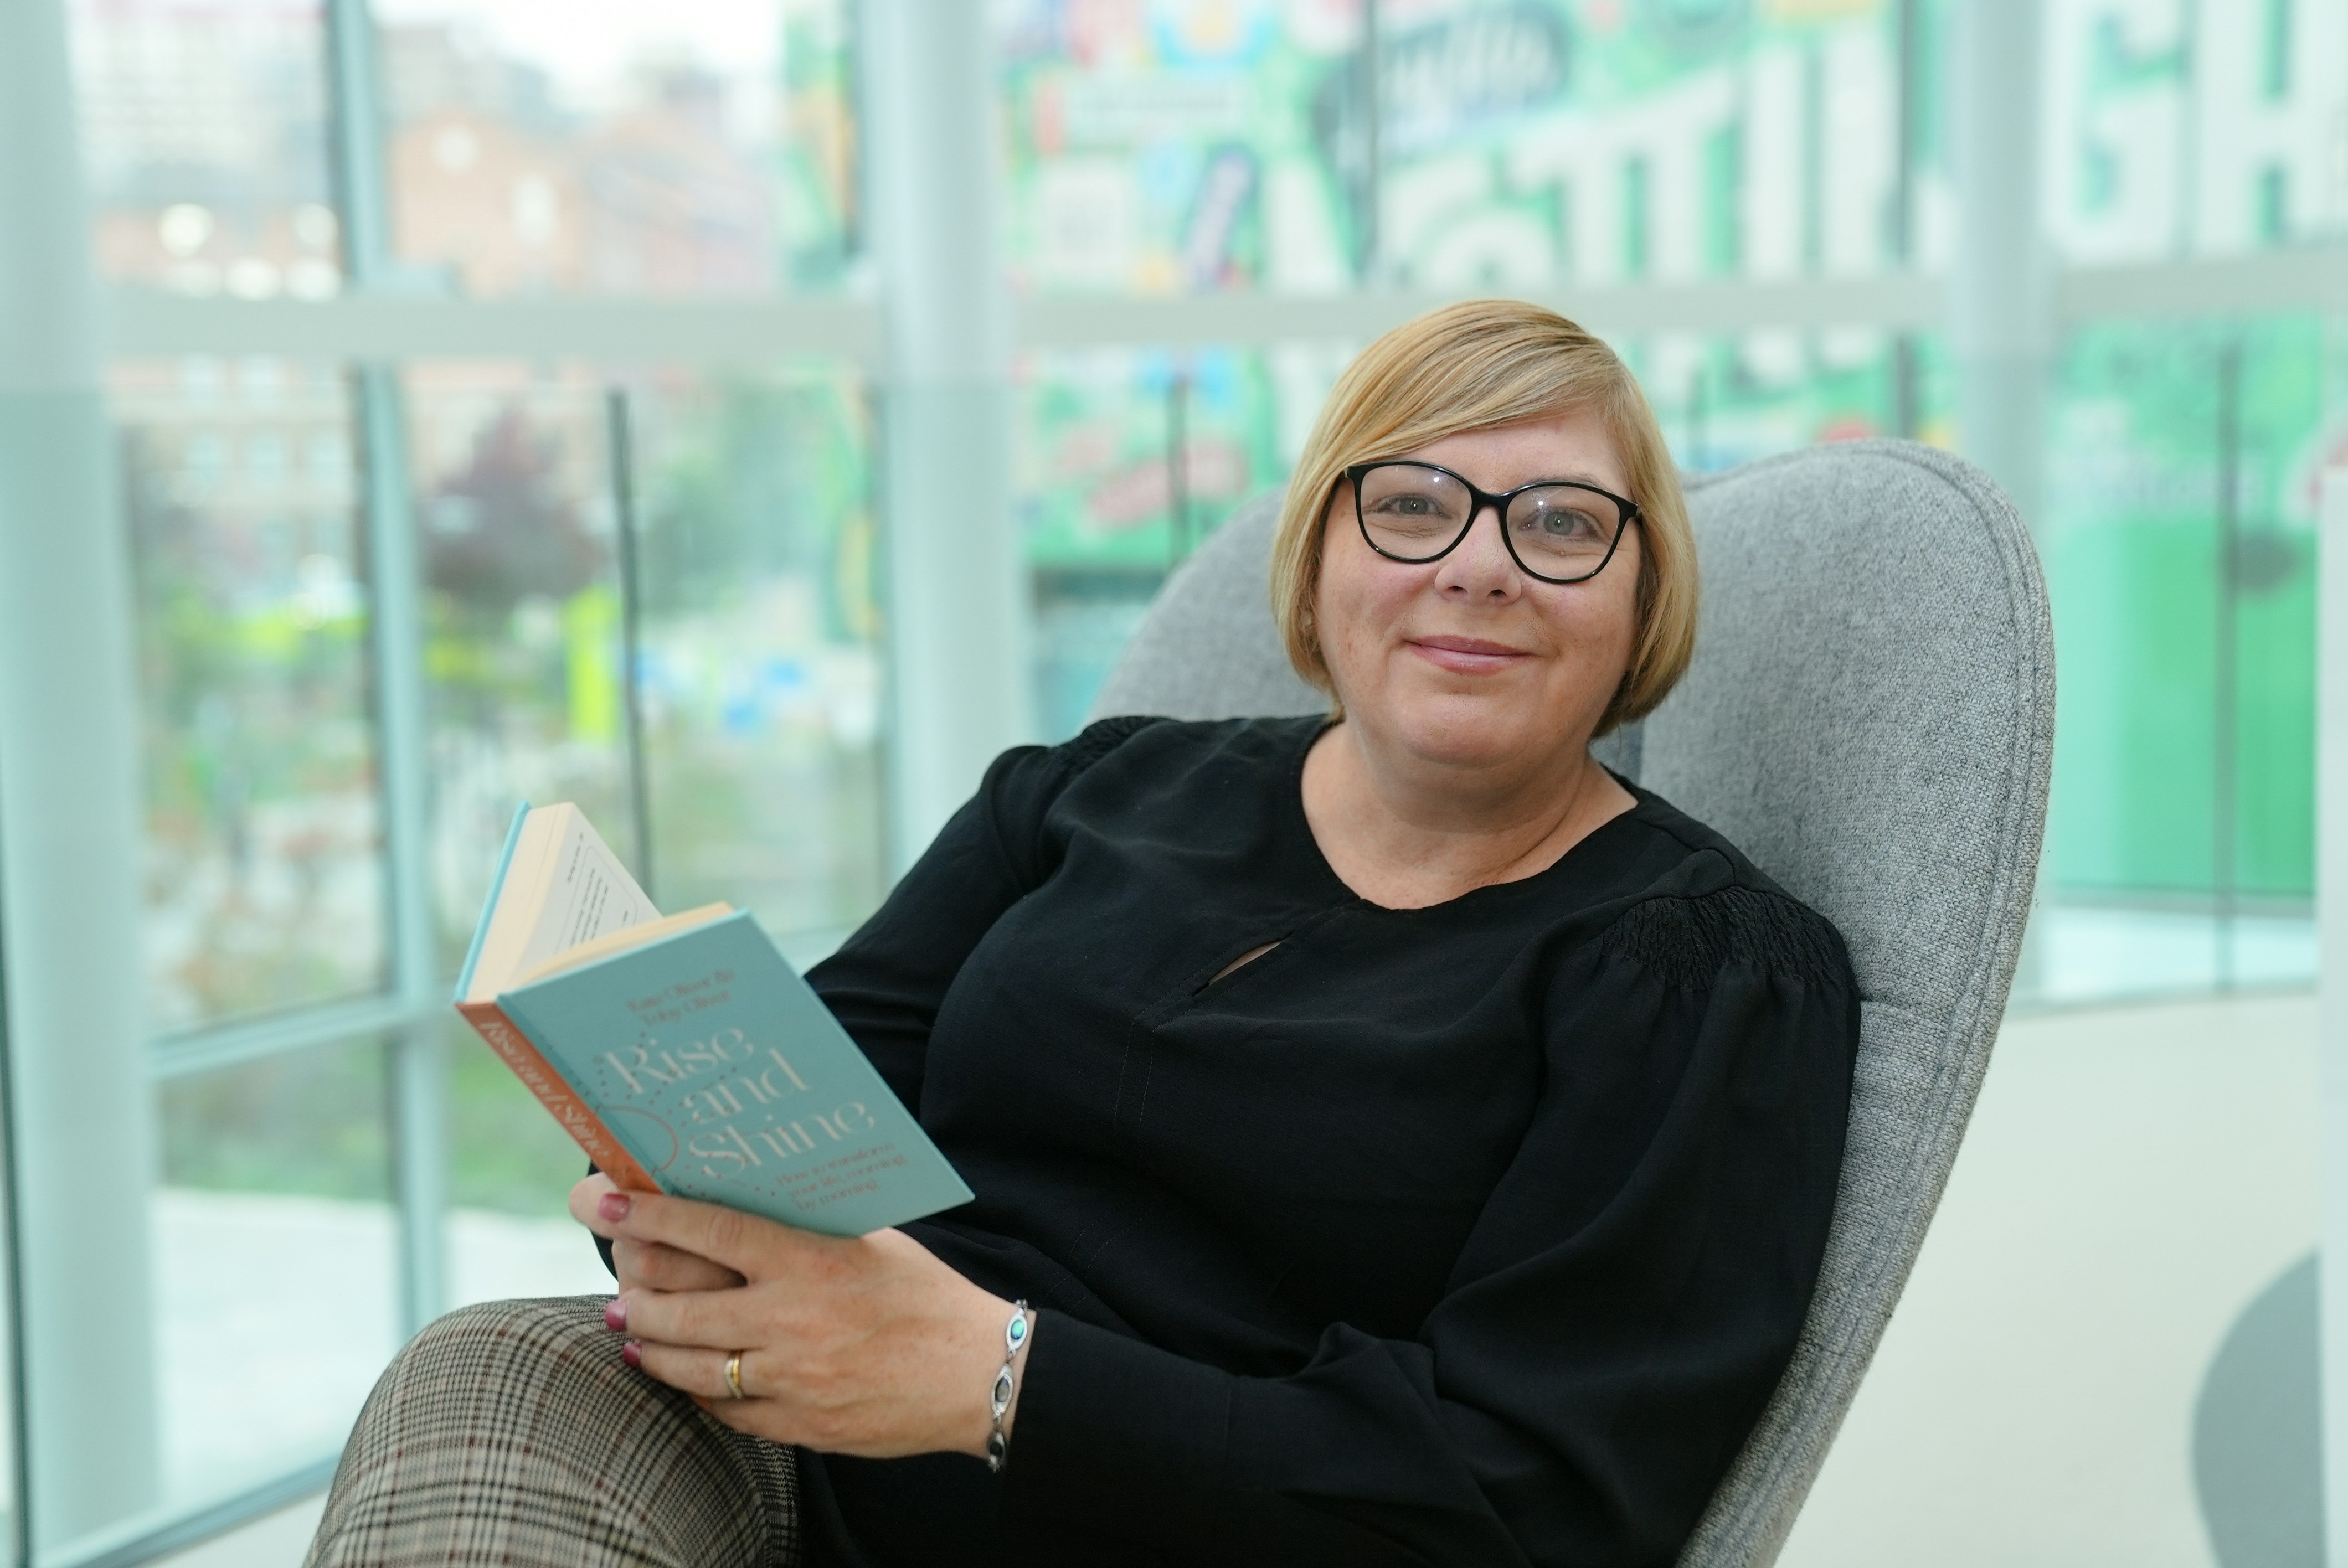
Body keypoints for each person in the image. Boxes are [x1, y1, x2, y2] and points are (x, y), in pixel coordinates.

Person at [306, 300, 1857, 1568]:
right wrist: (676, 1204)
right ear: (1319, 559)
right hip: (808, 1457)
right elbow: (815, 1090)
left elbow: (1534, 1502)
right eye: (1409, 505)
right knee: (484, 1372)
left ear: (1643, 597)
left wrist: (995, 1383)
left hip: (1211, 1531)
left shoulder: (1707, 977)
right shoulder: (1094, 790)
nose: (1476, 564)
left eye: (1563, 524)